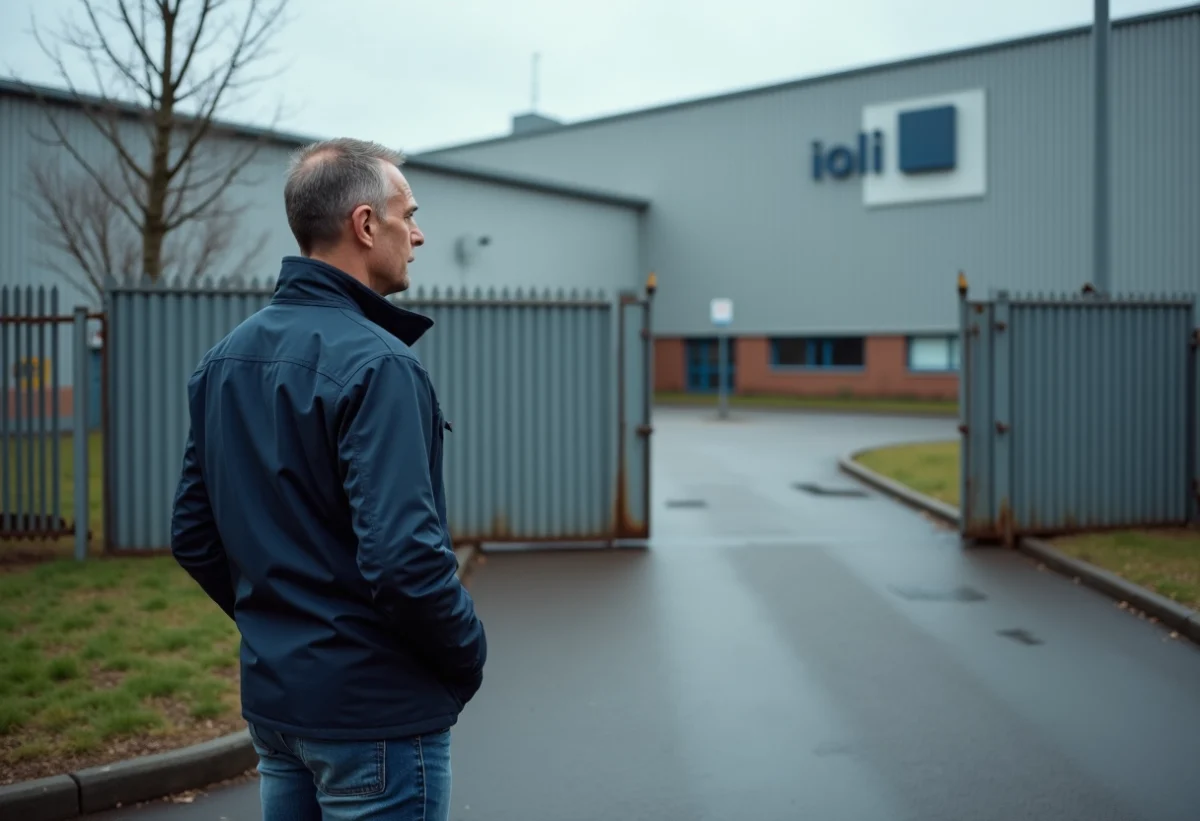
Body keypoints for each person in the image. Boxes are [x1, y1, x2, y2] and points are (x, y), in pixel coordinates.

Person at [169, 138, 487, 821]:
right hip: (377, 713)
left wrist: (284, 631)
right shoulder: (382, 365)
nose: (420, 233)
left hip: (279, 709)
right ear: (366, 224)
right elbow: (404, 558)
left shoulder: (223, 360)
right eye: (410, 214)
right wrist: (467, 655)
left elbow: (194, 535)